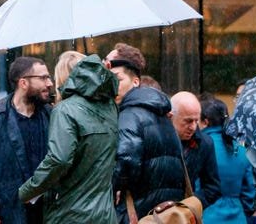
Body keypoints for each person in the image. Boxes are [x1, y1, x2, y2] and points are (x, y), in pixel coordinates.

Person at [18, 52, 118, 224]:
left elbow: (59, 160)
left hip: (71, 214)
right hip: (105, 214)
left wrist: (27, 191)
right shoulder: (110, 107)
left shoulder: (64, 110)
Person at [108, 43, 184, 223]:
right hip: (165, 213)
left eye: (117, 79)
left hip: (140, 212)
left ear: (135, 81)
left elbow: (126, 162)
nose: (112, 85)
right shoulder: (161, 113)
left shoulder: (129, 114)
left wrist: (112, 188)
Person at [0, 56, 53, 224]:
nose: (49, 83)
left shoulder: (51, 115)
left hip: (47, 211)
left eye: (49, 77)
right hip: (9, 211)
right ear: (23, 83)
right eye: (43, 78)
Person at [199, 97, 256, 224]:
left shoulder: (199, 147)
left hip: (206, 216)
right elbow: (249, 192)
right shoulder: (241, 150)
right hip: (238, 218)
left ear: (205, 122)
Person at [169, 92, 221, 209]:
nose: (193, 127)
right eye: (188, 121)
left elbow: (212, 188)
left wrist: (189, 207)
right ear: (171, 116)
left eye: (196, 121)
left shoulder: (205, 143)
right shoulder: (155, 138)